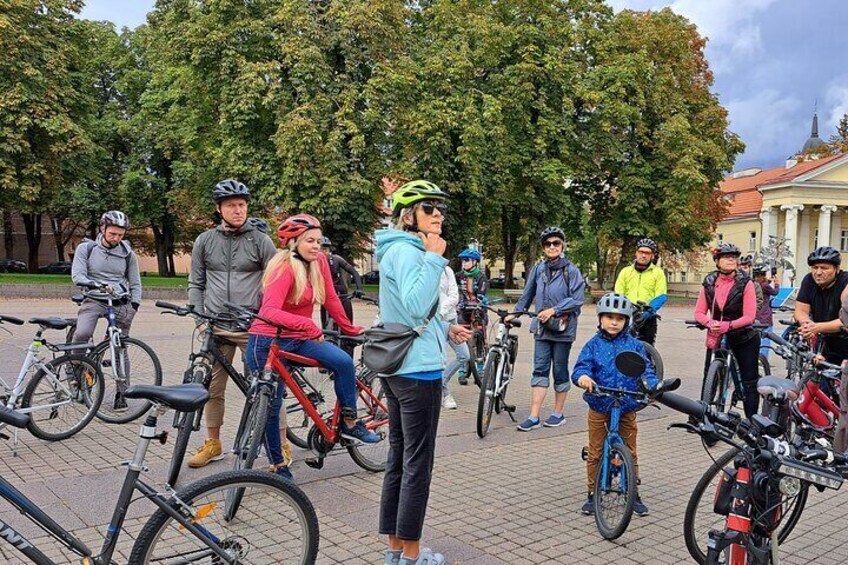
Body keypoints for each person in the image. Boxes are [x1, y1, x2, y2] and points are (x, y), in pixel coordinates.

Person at [375, 180, 471, 565]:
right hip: (418, 372)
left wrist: (444, 329)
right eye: (429, 208)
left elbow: (409, 310)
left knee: (399, 460)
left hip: (402, 367)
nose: (438, 215)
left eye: (439, 209)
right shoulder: (410, 252)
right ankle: (413, 557)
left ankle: (396, 551)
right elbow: (416, 306)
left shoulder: (399, 249)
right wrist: (435, 258)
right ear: (410, 215)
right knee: (417, 466)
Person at [246, 214, 379, 480]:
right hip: (267, 341)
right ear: (293, 242)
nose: (317, 246)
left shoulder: (318, 263)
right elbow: (269, 311)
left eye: (318, 240)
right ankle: (278, 464)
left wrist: (348, 327)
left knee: (342, 362)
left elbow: (330, 297)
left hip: (298, 339)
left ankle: (350, 422)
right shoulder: (282, 267)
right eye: (310, 241)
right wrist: (306, 325)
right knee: (271, 404)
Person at [186, 179, 278, 468]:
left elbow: (276, 283)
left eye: (242, 205)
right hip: (215, 325)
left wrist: (266, 319)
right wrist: (199, 318)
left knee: (265, 387)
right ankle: (213, 443)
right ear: (219, 208)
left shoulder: (261, 240)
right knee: (212, 388)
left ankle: (281, 445)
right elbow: (196, 283)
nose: (238, 210)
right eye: (231, 205)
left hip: (251, 327)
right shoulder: (204, 241)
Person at [573, 293, 658, 516]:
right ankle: (592, 492)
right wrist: (583, 377)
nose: (614, 322)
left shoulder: (635, 345)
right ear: (600, 319)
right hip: (599, 404)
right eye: (609, 317)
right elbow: (581, 367)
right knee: (596, 451)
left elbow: (646, 370)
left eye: (619, 319)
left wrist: (652, 384)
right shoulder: (593, 345)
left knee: (630, 450)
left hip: (626, 405)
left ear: (626, 321)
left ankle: (633, 491)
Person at [510, 226, 585, 431]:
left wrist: (553, 310)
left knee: (560, 370)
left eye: (556, 243)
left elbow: (578, 299)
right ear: (544, 247)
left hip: (563, 329)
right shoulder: (539, 268)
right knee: (540, 369)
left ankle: (558, 414)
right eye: (548, 244)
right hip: (542, 329)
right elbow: (527, 294)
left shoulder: (571, 270)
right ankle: (534, 416)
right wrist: (514, 313)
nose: (552, 247)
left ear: (562, 245)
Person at [71, 211, 142, 409]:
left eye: (120, 235)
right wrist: (96, 284)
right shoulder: (87, 248)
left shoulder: (127, 253)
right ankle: (76, 369)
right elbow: (78, 275)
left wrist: (134, 305)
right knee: (83, 333)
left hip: (120, 302)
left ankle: (122, 392)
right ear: (102, 229)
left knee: (119, 346)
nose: (116, 238)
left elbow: (135, 282)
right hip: (94, 299)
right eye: (112, 234)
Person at [694, 242, 761, 418]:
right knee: (709, 374)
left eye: (734, 256)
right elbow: (699, 312)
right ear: (717, 261)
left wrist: (728, 325)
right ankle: (702, 414)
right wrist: (708, 322)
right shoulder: (709, 282)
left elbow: (749, 316)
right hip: (717, 334)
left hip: (744, 336)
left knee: (749, 381)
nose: (731, 259)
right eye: (726, 256)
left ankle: (754, 423)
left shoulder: (745, 282)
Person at [794, 246, 848, 366]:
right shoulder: (808, 280)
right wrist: (806, 324)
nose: (818, 272)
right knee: (822, 378)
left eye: (824, 268)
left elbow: (845, 321)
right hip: (825, 341)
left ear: (837, 269)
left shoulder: (845, 281)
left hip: (845, 340)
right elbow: (800, 310)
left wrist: (817, 327)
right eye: (815, 267)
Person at [613, 238, 667, 345]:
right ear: (636, 253)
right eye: (641, 252)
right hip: (627, 315)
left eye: (647, 253)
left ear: (652, 255)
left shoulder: (658, 273)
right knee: (621, 347)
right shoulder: (626, 272)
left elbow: (661, 295)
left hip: (648, 317)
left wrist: (648, 311)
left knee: (646, 351)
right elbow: (619, 294)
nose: (644, 255)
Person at [456, 248, 489, 384]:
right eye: (462, 260)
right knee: (461, 337)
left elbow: (482, 294)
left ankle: (480, 369)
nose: (464, 263)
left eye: (467, 260)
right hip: (463, 309)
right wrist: (457, 302)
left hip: (478, 310)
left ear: (475, 262)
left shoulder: (481, 277)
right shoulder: (459, 276)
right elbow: (454, 291)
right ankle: (462, 368)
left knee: (479, 338)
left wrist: (480, 302)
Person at [440, 264, 469, 409]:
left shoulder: (446, 269)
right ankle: (445, 394)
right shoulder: (421, 267)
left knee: (464, 355)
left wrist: (441, 312)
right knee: (441, 360)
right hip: (435, 322)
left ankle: (441, 383)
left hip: (450, 319)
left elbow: (454, 296)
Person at [319, 236, 364, 329]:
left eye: (326, 249)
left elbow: (354, 272)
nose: (324, 252)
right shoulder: (313, 263)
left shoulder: (336, 259)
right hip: (326, 299)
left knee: (349, 327)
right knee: (325, 331)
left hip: (343, 297)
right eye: (321, 249)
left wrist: (359, 289)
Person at [752, 262, 779, 358]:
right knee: (767, 338)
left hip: (755, 314)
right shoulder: (764, 285)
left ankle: (754, 356)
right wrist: (776, 284)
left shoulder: (753, 284)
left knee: (756, 337)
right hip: (765, 315)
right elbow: (775, 292)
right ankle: (763, 357)